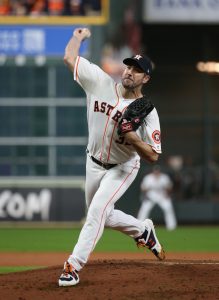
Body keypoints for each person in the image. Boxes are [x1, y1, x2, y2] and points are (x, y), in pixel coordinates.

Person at [58, 27, 165, 287]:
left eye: (136, 69)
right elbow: (69, 58)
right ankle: (143, 230)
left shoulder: (147, 111)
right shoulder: (100, 81)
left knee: (96, 211)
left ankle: (73, 265)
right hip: (92, 162)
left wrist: (134, 138)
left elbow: (153, 156)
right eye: (128, 66)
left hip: (123, 167)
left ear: (145, 79)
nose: (129, 71)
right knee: (104, 215)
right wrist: (78, 37)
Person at [137, 166, 177, 231]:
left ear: (159, 171)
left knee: (168, 208)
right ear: (153, 171)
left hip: (162, 196)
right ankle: (140, 226)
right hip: (151, 196)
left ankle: (171, 226)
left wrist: (167, 192)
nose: (156, 173)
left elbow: (170, 188)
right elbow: (143, 188)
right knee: (144, 210)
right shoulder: (148, 178)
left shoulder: (164, 177)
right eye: (155, 171)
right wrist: (147, 189)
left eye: (157, 171)